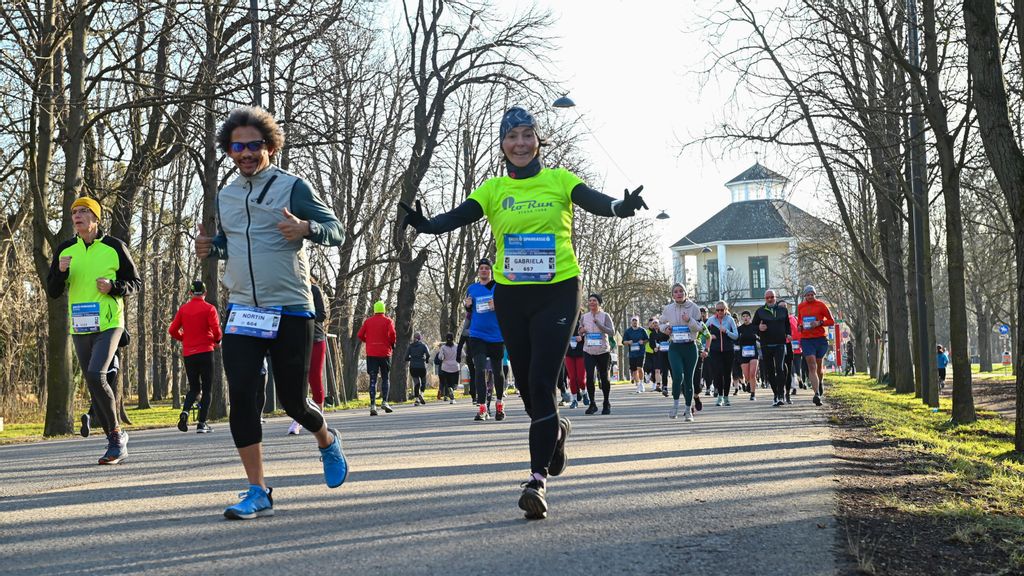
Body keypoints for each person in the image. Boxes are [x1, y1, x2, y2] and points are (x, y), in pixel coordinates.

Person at [399, 106, 647, 519]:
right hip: (512, 296)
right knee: (532, 394)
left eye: (527, 135)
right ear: (502, 145)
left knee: (541, 380)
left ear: (538, 141)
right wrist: (425, 225)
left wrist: (620, 207)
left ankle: (536, 480)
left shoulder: (559, 180)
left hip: (558, 291)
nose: (520, 143)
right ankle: (556, 431)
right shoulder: (494, 189)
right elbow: (458, 216)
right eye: (512, 136)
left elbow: (594, 200)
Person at [195, 106, 348, 519]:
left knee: (295, 402)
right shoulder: (226, 195)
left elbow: (336, 230)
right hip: (243, 309)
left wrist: (307, 228)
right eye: (237, 147)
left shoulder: (292, 187)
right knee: (243, 397)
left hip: (291, 308)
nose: (246, 153)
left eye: (254, 145)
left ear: (270, 147)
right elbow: (231, 244)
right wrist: (211, 248)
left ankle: (326, 439)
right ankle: (257, 489)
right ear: (229, 151)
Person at [46, 196, 142, 464]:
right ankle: (116, 436)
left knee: (95, 373)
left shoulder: (114, 247)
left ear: (96, 218)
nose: (77, 216)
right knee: (94, 381)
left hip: (110, 323)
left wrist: (113, 287)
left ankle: (116, 437)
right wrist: (60, 272)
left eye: (84, 211)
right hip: (81, 325)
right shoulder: (66, 250)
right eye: (74, 212)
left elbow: (135, 282)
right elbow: (53, 291)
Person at [169, 280, 222, 433]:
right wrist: (217, 341)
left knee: (194, 388)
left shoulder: (183, 309)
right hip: (206, 351)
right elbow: (216, 330)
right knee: (207, 389)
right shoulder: (209, 308)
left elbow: (172, 330)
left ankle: (185, 412)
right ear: (205, 293)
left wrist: (184, 339)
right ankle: (201, 423)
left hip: (189, 354)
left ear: (190, 293)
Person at [464, 258, 508, 421]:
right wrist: (467, 305)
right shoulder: (472, 288)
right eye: (481, 268)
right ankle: (482, 408)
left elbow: (508, 306)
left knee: (497, 371)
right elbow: (469, 310)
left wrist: (498, 305)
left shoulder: (498, 287)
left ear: (491, 271)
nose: (484, 270)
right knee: (479, 369)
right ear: (478, 271)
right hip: (477, 334)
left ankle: (499, 404)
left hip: (496, 335)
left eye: (486, 268)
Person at [289, 275, 329, 434]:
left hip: (316, 339)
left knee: (314, 378)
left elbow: (322, 314)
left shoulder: (314, 290)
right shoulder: (289, 291)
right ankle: (298, 419)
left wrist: (304, 314)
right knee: (298, 379)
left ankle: (320, 416)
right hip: (296, 340)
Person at [659, 283, 705, 421]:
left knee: (689, 379)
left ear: (685, 293)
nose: (678, 294)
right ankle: (675, 407)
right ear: (672, 295)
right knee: (677, 376)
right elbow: (661, 324)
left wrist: (689, 320)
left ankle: (688, 410)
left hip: (690, 347)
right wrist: (665, 329)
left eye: (681, 291)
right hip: (675, 347)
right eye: (676, 292)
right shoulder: (668, 309)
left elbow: (700, 328)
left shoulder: (694, 308)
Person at [796, 285, 836, 406]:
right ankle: (816, 394)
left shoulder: (821, 305)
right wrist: (800, 326)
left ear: (815, 294)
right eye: (808, 295)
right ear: (805, 296)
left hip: (820, 339)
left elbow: (831, 321)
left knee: (818, 367)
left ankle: (820, 382)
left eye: (812, 294)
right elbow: (799, 321)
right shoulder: (801, 306)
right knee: (812, 366)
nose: (810, 297)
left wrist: (819, 322)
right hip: (807, 340)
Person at [753, 289, 791, 407]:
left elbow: (787, 324)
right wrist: (759, 328)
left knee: (780, 368)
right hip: (766, 344)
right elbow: (753, 326)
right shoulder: (760, 311)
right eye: (767, 297)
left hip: (780, 343)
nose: (770, 299)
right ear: (765, 299)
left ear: (775, 298)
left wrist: (788, 334)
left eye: (772, 297)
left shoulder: (783, 310)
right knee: (769, 370)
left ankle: (781, 394)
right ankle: (775, 393)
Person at [358, 300, 397, 415]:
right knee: (385, 378)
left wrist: (368, 341)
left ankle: (373, 405)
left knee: (373, 379)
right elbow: (392, 334)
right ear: (384, 310)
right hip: (385, 353)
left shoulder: (368, 321)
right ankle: (385, 401)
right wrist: (392, 343)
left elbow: (360, 335)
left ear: (374, 310)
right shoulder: (388, 321)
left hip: (371, 354)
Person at [580, 293, 616, 415]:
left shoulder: (605, 316)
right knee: (590, 377)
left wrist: (599, 325)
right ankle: (592, 404)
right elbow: (580, 330)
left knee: (604, 377)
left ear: (599, 303)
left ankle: (606, 403)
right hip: (588, 351)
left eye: (594, 300)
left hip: (602, 351)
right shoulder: (584, 317)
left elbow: (612, 332)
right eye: (590, 300)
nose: (592, 302)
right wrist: (581, 331)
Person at [706, 301, 739, 406]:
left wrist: (726, 331)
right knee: (717, 373)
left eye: (722, 310)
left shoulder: (730, 320)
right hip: (715, 351)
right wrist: (710, 335)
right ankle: (720, 396)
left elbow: (736, 336)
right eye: (717, 310)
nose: (720, 312)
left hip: (728, 350)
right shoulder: (711, 320)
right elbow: (702, 332)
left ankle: (726, 397)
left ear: (726, 310)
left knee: (727, 374)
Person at [565, 313, 588, 409]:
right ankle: (574, 400)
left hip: (581, 354)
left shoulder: (584, 322)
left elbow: (591, 336)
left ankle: (584, 393)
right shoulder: (565, 322)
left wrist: (582, 338)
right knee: (572, 378)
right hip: (568, 353)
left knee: (581, 379)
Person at [736, 310, 759, 401]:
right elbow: (736, 341)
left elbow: (760, 337)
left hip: (753, 353)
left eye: (747, 316)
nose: (745, 318)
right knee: (747, 375)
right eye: (744, 316)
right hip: (743, 354)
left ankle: (753, 394)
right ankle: (749, 382)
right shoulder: (739, 329)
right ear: (742, 318)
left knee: (752, 373)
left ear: (750, 317)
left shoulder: (754, 327)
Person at [623, 316, 649, 393]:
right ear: (631, 322)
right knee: (634, 370)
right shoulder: (628, 331)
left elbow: (647, 339)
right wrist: (628, 342)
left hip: (641, 352)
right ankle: (638, 385)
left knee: (639, 368)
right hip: (632, 353)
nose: (635, 322)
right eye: (633, 321)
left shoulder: (642, 330)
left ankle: (641, 383)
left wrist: (643, 341)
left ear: (638, 322)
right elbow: (623, 341)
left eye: (636, 321)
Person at [406, 332, 431, 405]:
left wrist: (412, 358)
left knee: (416, 383)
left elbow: (406, 357)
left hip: (413, 367)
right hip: (421, 367)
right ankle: (421, 394)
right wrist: (426, 360)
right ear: (420, 338)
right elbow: (428, 354)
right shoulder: (423, 345)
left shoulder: (410, 346)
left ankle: (417, 400)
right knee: (423, 382)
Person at [436, 333, 460, 403]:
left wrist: (443, 357)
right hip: (455, 367)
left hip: (445, 367)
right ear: (453, 338)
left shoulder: (443, 347)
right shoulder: (456, 346)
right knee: (455, 383)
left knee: (448, 383)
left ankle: (451, 395)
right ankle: (452, 392)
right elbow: (463, 354)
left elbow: (440, 357)